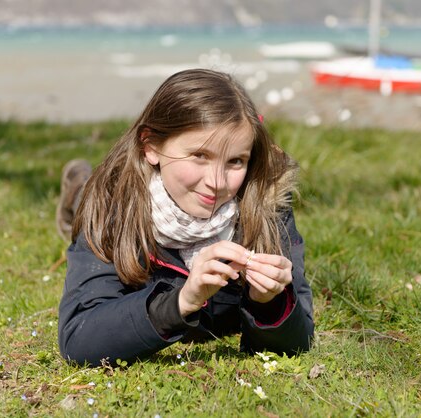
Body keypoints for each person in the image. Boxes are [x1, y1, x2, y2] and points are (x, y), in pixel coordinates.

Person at [56, 69, 314, 366]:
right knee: (87, 201)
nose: (217, 182)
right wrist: (182, 301)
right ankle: (78, 188)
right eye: (200, 156)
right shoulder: (111, 205)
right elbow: (79, 338)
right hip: (109, 196)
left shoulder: (266, 203)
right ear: (151, 147)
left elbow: (300, 337)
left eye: (235, 161)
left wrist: (271, 302)